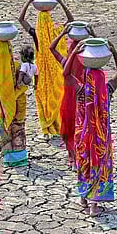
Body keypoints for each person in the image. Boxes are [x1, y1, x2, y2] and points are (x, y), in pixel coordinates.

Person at [63, 39, 117, 216]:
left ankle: (83, 198)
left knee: (84, 163)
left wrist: (74, 53)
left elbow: (65, 74)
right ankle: (94, 206)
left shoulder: (81, 89)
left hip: (82, 135)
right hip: (100, 138)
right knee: (99, 164)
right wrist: (113, 52)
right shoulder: (107, 90)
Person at [18, 0, 74, 140]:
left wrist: (29, 1)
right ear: (50, 21)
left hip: (41, 73)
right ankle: (58, 126)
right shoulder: (56, 32)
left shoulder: (35, 34)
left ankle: (47, 129)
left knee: (44, 98)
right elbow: (71, 20)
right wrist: (61, 3)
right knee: (58, 97)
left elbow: (21, 19)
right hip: (56, 70)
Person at [50, 23, 97, 171]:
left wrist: (63, 33)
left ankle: (74, 157)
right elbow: (98, 53)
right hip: (79, 99)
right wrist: (93, 36)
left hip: (75, 98)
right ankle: (76, 158)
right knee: (78, 128)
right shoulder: (85, 66)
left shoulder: (68, 66)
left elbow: (52, 48)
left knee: (72, 129)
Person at [0, 24, 28, 167]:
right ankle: (20, 158)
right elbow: (27, 81)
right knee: (18, 129)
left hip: (1, 104)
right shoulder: (16, 64)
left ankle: (8, 158)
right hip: (18, 103)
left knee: (6, 129)